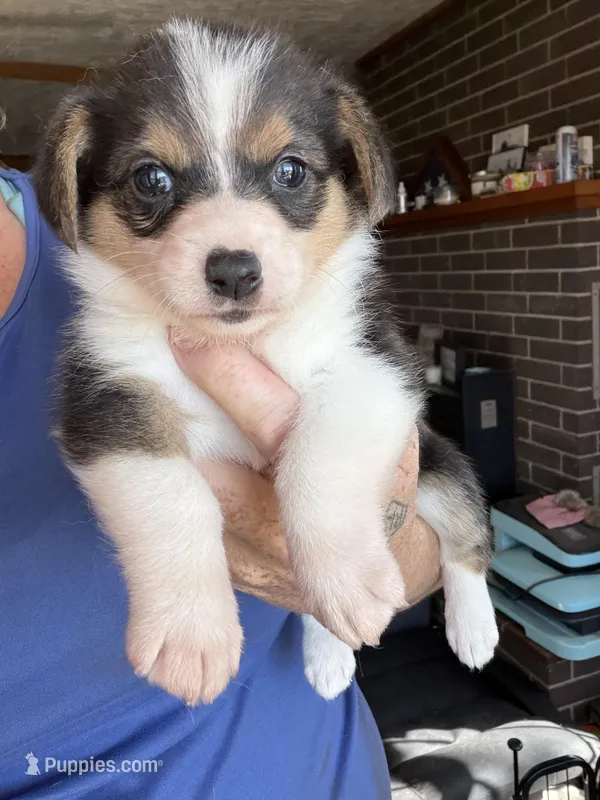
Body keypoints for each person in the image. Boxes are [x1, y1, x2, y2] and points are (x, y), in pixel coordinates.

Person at [0, 163, 441, 798]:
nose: (232, 252)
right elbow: (109, 425)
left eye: (289, 171)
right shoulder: (101, 250)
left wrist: (362, 529)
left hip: (325, 769)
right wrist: (180, 566)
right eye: (151, 181)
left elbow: (404, 557)